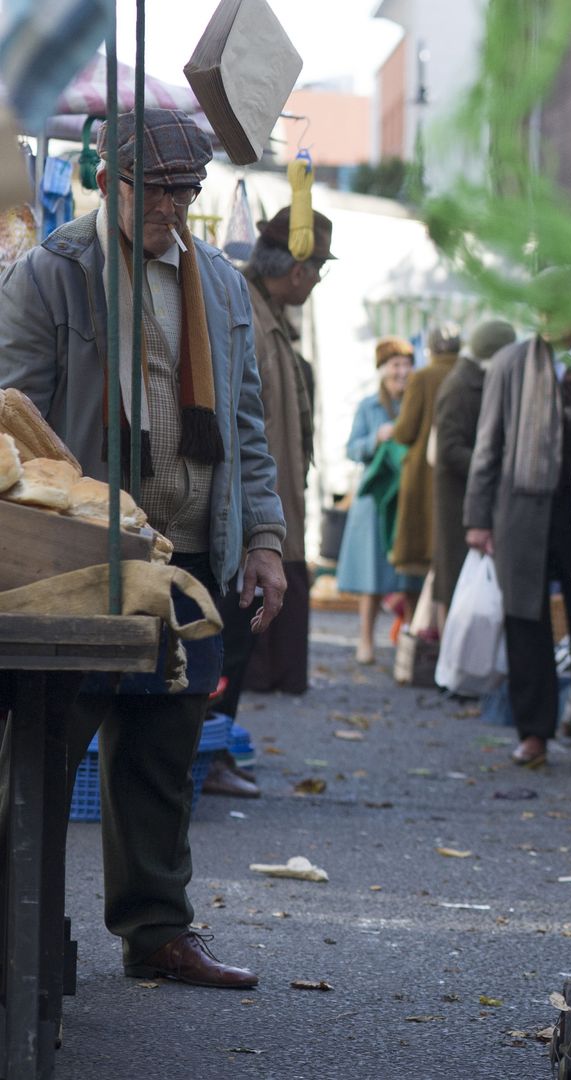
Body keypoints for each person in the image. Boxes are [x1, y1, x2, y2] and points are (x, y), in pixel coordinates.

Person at [0, 109, 286, 989]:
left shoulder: (223, 286)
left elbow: (245, 426)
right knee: (45, 749)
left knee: (165, 749)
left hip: (189, 558)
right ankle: (24, 932)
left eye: (186, 190)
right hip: (83, 557)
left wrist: (266, 537)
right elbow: (14, 422)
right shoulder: (55, 275)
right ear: (110, 181)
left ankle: (158, 929)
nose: (173, 205)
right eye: (156, 188)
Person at [466, 268, 571, 766]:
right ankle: (534, 731)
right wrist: (478, 518)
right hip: (523, 511)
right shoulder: (510, 362)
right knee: (525, 620)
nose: (548, 318)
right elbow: (488, 444)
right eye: (541, 308)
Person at [230, 207, 331, 703]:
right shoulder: (245, 311)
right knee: (235, 651)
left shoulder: (267, 317)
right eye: (319, 269)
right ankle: (219, 744)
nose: (316, 281)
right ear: (298, 271)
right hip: (255, 507)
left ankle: (222, 743)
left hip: (270, 502)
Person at [338, 337, 421, 665]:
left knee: (409, 573)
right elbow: (352, 449)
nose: (402, 371)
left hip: (407, 497)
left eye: (406, 364)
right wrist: (377, 437)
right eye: (395, 364)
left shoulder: (417, 401)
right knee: (372, 573)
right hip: (374, 497)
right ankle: (365, 640)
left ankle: (409, 641)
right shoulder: (369, 406)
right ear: (382, 369)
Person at [431, 318, 516, 627]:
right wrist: (491, 465)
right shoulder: (459, 386)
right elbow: (449, 449)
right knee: (456, 580)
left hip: (470, 496)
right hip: (458, 500)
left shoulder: (474, 380)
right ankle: (453, 663)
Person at [389, 323, 461, 602]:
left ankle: (428, 633)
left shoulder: (422, 378)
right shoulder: (467, 372)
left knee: (428, 560)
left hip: (423, 475)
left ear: (429, 348)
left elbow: (405, 431)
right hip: (460, 474)